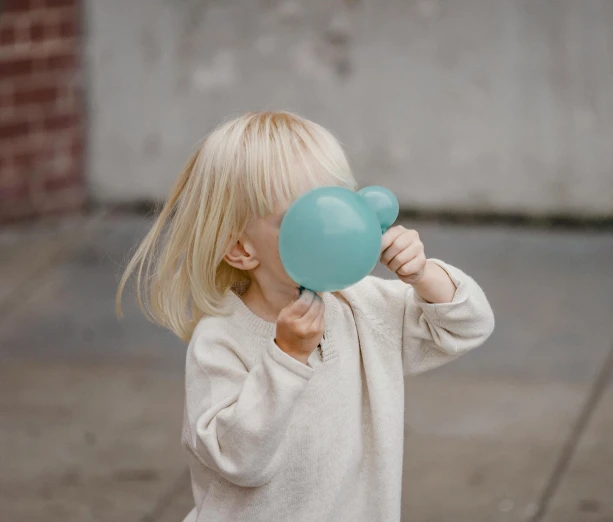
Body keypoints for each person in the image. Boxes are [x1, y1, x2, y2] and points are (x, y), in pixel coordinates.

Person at [116, 111, 494, 521]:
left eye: (338, 203)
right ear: (241, 248)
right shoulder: (221, 341)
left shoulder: (362, 306)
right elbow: (238, 461)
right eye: (302, 218)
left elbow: (468, 326)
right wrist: (286, 357)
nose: (333, 226)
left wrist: (424, 275)